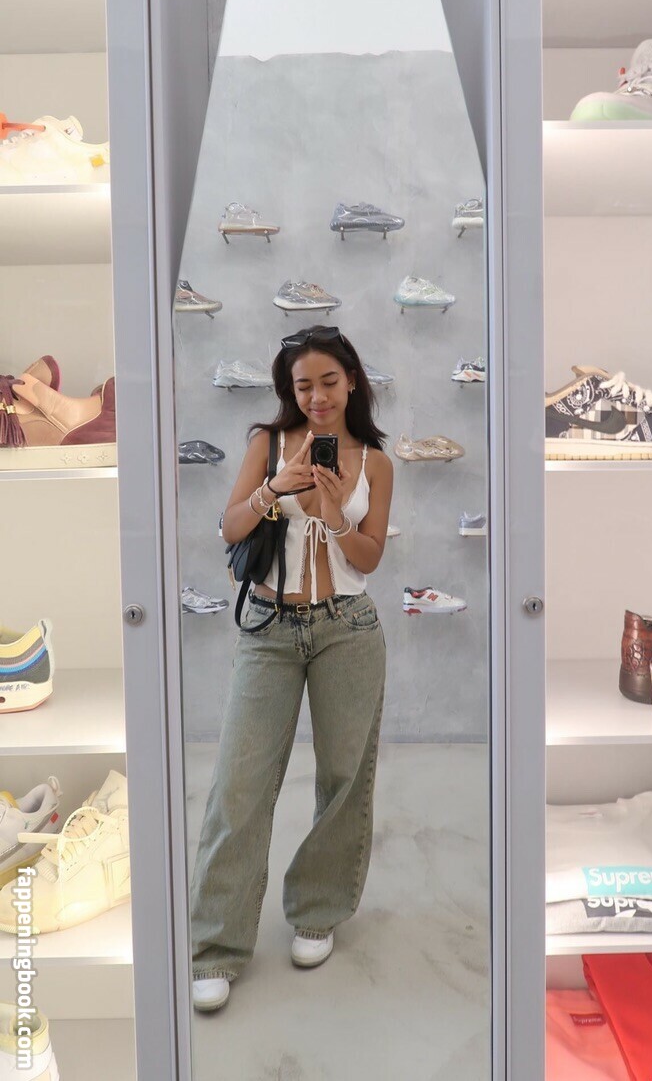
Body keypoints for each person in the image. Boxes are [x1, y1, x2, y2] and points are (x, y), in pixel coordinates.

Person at [190, 324, 394, 1012]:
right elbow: (229, 529)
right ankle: (215, 946)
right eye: (302, 386)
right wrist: (273, 489)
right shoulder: (267, 444)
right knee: (238, 787)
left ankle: (317, 913)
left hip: (348, 629)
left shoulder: (375, 462)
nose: (316, 397)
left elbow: (369, 559)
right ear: (290, 391)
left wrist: (334, 510)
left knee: (343, 780)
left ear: (351, 382)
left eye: (328, 382)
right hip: (269, 630)